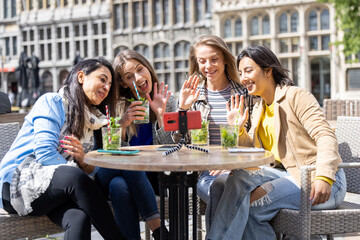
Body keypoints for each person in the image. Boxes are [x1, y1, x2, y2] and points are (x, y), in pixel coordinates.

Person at [205, 45, 347, 240]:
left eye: (248, 70)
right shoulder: (258, 107)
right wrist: (237, 128)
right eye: (240, 73)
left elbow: (325, 136)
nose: (243, 78)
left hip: (316, 179)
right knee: (221, 183)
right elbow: (254, 154)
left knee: (253, 207)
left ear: (268, 70)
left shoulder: (296, 96)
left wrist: (323, 176)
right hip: (284, 174)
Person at [0, 58, 126, 240]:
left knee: (79, 218)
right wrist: (79, 173)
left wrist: (83, 161)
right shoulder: (52, 102)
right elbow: (45, 154)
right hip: (17, 183)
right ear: (81, 77)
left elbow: (90, 171)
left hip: (55, 189)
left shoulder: (95, 120)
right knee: (76, 177)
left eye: (110, 84)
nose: (107, 87)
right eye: (102, 79)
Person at [94, 49, 175, 240]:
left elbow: (172, 151)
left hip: (153, 179)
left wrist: (161, 116)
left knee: (118, 186)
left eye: (140, 69)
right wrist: (123, 123)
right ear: (123, 83)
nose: (138, 78)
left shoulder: (166, 99)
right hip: (116, 169)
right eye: (130, 76)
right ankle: (160, 231)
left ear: (147, 66)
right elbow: (110, 153)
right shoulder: (115, 105)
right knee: (128, 163)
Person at [178, 34, 254, 230]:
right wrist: (183, 110)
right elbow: (180, 143)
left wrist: (230, 164)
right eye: (202, 61)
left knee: (227, 193)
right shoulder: (194, 96)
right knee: (220, 190)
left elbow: (254, 139)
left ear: (224, 60)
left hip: (241, 170)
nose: (208, 66)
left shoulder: (244, 93)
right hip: (207, 173)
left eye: (214, 59)